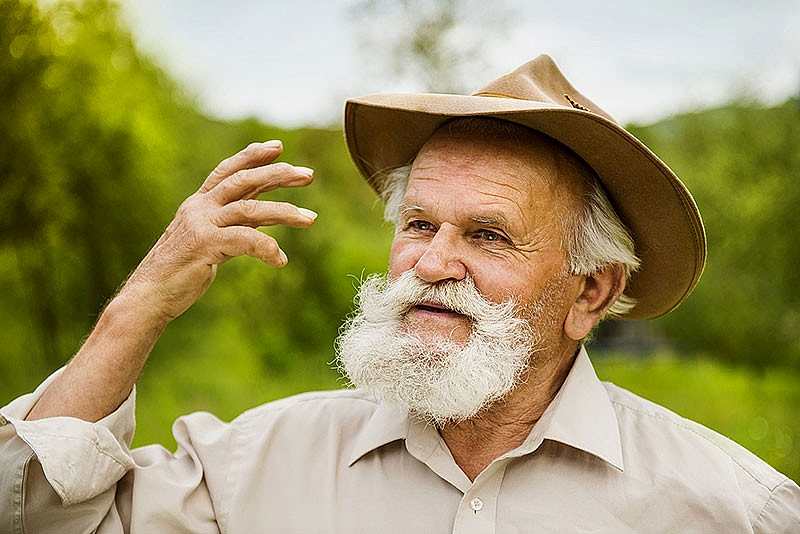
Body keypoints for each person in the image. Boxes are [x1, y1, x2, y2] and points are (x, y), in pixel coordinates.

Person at [1, 54, 798, 533]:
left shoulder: (728, 507)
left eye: (486, 235)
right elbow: (34, 516)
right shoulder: (252, 467)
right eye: (418, 224)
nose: (431, 263)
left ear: (592, 291)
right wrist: (139, 303)